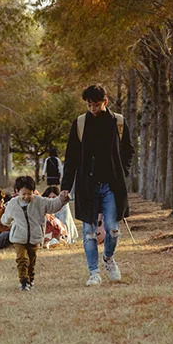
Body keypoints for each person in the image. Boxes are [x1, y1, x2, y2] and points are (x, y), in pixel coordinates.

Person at [61, 82, 134, 286]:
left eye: (96, 104)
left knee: (112, 229)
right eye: (89, 105)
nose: (93, 108)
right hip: (87, 186)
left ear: (105, 102)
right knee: (89, 232)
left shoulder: (118, 122)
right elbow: (71, 156)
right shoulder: (80, 123)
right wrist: (66, 186)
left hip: (111, 186)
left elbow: (129, 151)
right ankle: (93, 272)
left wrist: (122, 171)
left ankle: (108, 258)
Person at [2, 176, 68, 290]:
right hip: (18, 237)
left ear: (33, 191)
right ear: (17, 192)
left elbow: (52, 205)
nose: (26, 196)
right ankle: (23, 281)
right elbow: (6, 219)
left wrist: (62, 199)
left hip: (35, 236)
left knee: (32, 261)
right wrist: (5, 220)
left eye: (29, 193)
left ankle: (30, 279)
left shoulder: (39, 201)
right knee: (22, 259)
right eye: (23, 194)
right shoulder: (12, 204)